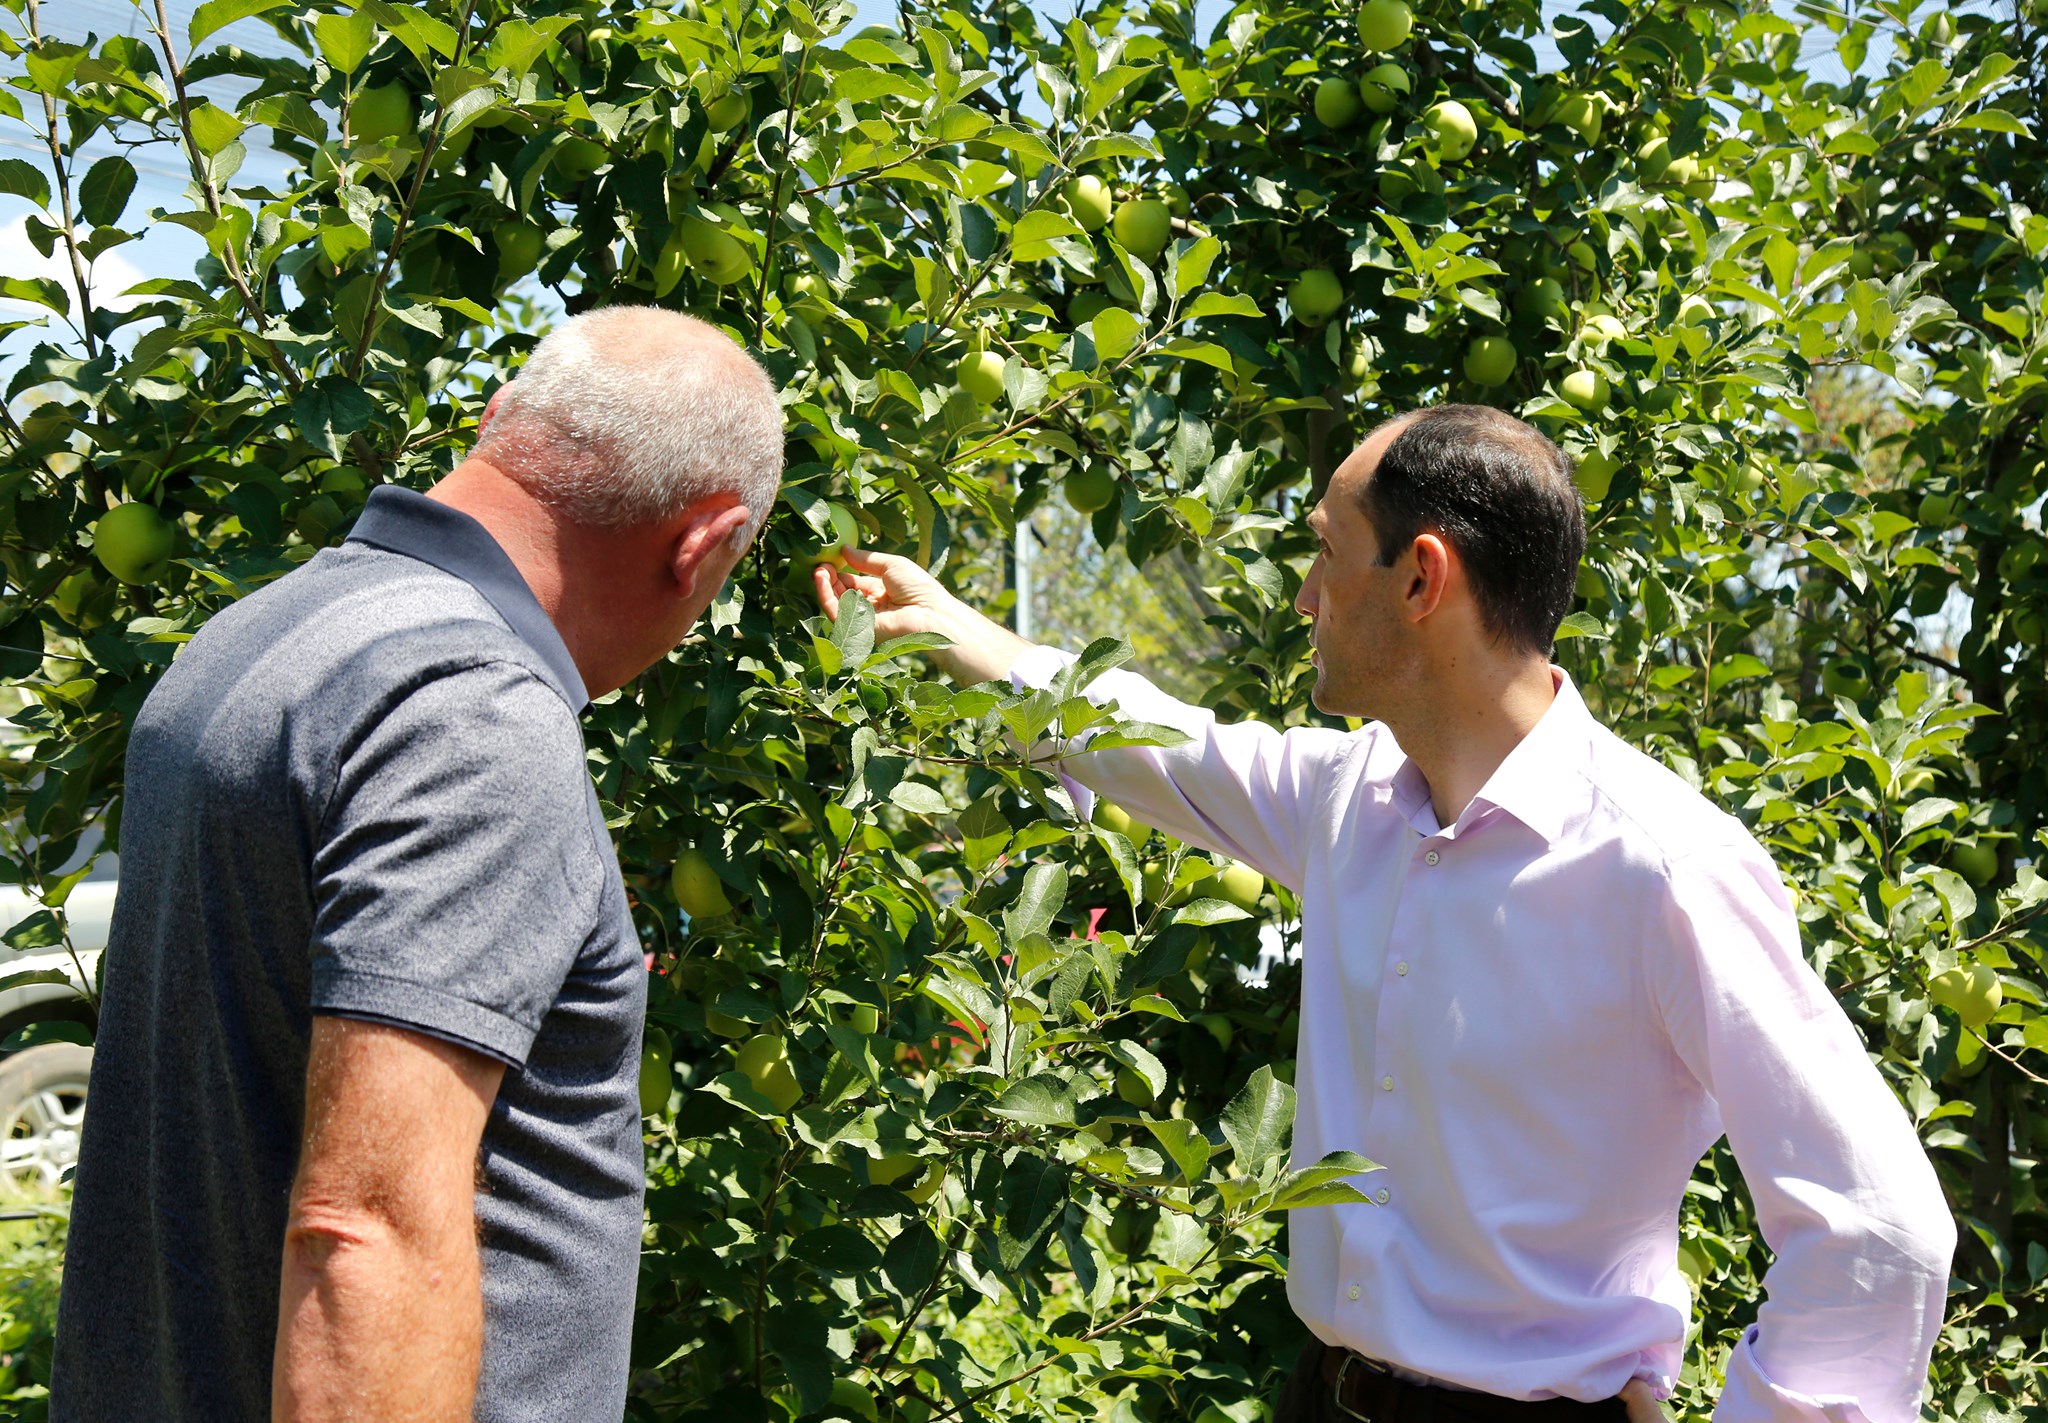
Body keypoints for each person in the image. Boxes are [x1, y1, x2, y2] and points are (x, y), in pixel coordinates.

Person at [811, 405, 1955, 1423]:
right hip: (1323, 1394)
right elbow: (1158, 743)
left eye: (1323, 550)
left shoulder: (1661, 868)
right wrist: (953, 628)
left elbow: (1879, 1227)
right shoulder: (1348, 801)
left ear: (1419, 580)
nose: (1303, 596)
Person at [52, 306, 783, 1422]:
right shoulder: (473, 717)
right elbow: (368, 1232)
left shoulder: (255, 634)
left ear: (497, 420)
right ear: (702, 544)